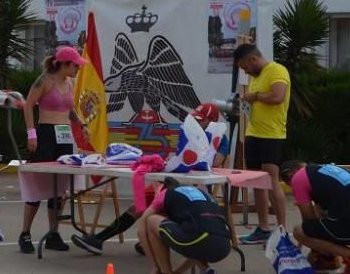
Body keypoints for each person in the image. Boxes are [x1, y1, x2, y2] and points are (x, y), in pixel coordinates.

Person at [71, 104, 223, 255]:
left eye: (200, 120)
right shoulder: (191, 133)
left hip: (193, 187)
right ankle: (98, 240)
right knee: (137, 206)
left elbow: (216, 163)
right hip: (170, 180)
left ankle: (152, 241)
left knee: (165, 210)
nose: (196, 123)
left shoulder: (219, 138)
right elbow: (177, 157)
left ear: (212, 122)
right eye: (195, 119)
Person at [17, 46, 91, 253]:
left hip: (63, 136)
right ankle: (25, 233)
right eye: (75, 65)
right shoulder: (45, 80)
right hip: (46, 135)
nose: (78, 69)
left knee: (59, 188)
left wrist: (81, 124)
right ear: (65, 64)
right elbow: (28, 104)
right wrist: (31, 133)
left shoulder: (70, 83)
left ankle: (53, 232)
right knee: (38, 184)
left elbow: (69, 110)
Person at [234, 44, 291, 245]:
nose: (245, 71)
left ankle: (282, 229)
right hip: (254, 133)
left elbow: (278, 97)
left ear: (253, 59)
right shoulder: (255, 78)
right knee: (257, 181)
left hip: (272, 134)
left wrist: (255, 96)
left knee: (271, 179)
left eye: (245, 66)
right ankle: (263, 228)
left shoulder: (277, 70)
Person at [140, 179, 232, 274]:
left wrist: (154, 265)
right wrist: (179, 271)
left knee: (151, 221)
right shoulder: (202, 194)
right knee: (195, 236)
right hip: (224, 245)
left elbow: (141, 228)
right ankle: (206, 272)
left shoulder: (165, 193)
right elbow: (200, 240)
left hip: (199, 236)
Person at [280, 161, 350, 274]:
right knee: (324, 223)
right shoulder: (323, 170)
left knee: (300, 231)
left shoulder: (297, 179)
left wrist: (316, 250)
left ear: (290, 174)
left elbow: (309, 220)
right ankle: (328, 261)